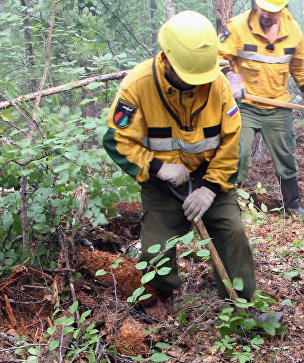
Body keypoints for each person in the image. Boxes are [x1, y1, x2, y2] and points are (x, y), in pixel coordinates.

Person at [102, 11, 257, 306]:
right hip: (161, 181)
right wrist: (158, 168)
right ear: (167, 60)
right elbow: (116, 140)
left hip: (212, 174)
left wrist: (210, 189)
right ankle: (159, 300)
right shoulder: (138, 85)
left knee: (233, 233)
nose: (195, 85)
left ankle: (242, 303)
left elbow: (230, 142)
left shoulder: (218, 84)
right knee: (154, 252)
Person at [218, 0, 304, 218]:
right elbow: (218, 55)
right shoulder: (236, 26)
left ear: (283, 8)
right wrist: (231, 78)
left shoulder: (293, 30)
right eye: (263, 8)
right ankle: (227, 207)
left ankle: (293, 207)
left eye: (272, 11)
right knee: (239, 154)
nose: (266, 14)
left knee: (285, 157)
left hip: (278, 105)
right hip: (245, 106)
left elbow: (299, 66)